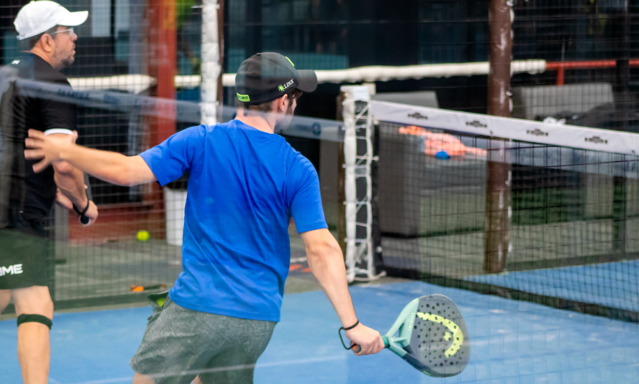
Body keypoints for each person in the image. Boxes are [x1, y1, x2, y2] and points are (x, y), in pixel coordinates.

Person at [24, 52, 385, 384]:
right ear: (281, 101)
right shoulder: (298, 168)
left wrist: (65, 150)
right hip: (257, 321)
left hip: (198, 309)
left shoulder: (200, 140)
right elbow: (322, 248)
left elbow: (125, 171)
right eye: (294, 98)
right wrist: (351, 325)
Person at [0, 2, 97, 383]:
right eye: (68, 31)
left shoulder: (4, 75)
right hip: (10, 202)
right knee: (36, 303)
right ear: (47, 40)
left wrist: (50, 186)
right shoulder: (53, 81)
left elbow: (12, 141)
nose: (74, 37)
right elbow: (64, 161)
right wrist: (83, 202)